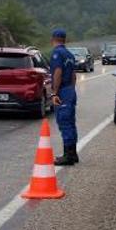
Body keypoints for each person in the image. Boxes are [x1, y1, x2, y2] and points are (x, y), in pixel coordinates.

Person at [50, 29, 79, 166]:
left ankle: (68, 156)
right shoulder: (69, 54)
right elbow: (74, 75)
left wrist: (55, 93)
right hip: (70, 90)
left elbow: (57, 72)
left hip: (62, 91)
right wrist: (71, 89)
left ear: (53, 39)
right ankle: (73, 153)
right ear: (65, 39)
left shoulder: (57, 53)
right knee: (71, 122)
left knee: (64, 123)